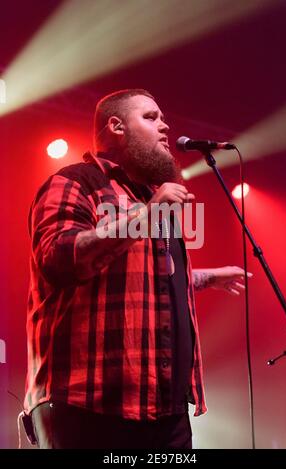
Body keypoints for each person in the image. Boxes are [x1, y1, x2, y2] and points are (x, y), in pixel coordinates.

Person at [24, 89, 251, 449]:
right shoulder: (76, 182)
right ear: (116, 126)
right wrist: (147, 215)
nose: (165, 126)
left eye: (162, 118)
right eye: (150, 117)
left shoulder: (151, 200)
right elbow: (58, 257)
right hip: (87, 404)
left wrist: (205, 278)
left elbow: (144, 281)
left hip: (165, 410)